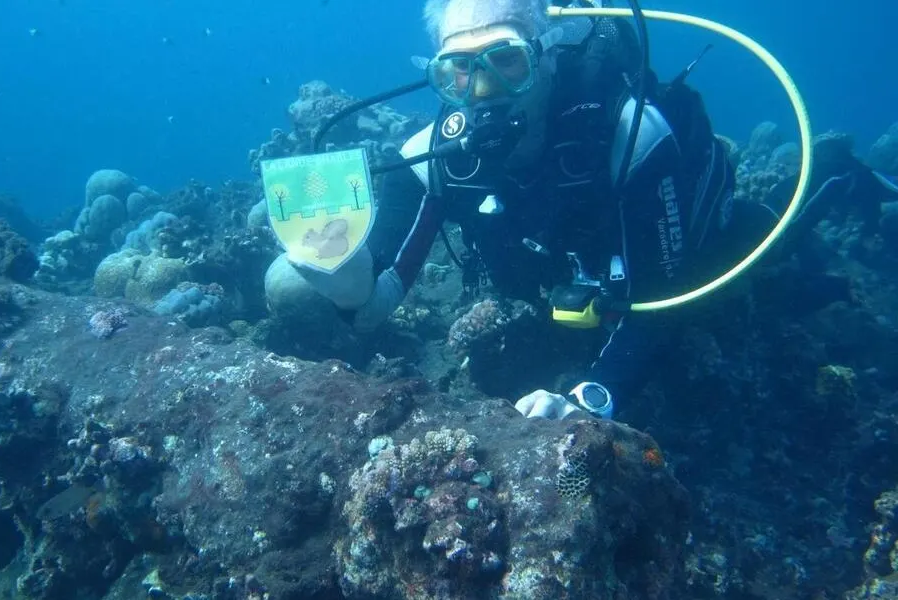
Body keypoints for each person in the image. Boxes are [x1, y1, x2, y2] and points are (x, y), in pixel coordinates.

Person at [264, 0, 898, 422]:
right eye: (458, 70)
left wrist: (595, 395)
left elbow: (665, 296)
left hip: (676, 253)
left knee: (760, 274)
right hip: (572, 275)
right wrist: (351, 291)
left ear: (545, 52)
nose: (481, 91)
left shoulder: (629, 135)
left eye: (504, 60)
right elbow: (380, 295)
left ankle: (840, 180)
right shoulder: (432, 155)